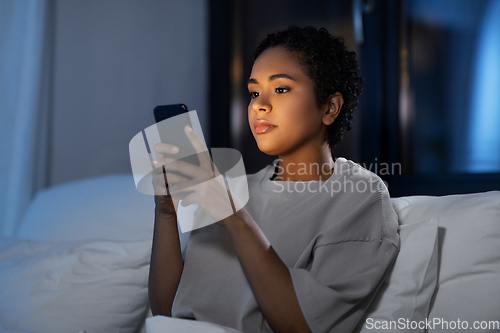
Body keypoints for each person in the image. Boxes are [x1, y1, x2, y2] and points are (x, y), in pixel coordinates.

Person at [148, 26, 400, 333]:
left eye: (281, 89)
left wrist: (236, 220)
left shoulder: (360, 195)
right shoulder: (233, 188)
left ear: (330, 107)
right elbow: (165, 312)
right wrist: (166, 213)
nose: (258, 105)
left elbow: (302, 326)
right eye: (254, 92)